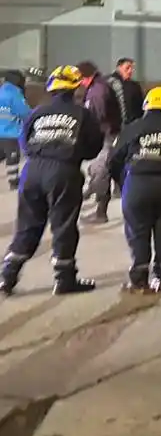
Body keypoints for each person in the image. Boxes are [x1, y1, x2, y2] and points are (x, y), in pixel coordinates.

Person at [0, 65, 103, 296]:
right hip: (63, 172)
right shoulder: (82, 114)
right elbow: (94, 147)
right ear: (75, 87)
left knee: (27, 225)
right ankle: (64, 279)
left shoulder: (37, 112)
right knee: (63, 226)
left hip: (32, 171)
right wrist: (71, 154)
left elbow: (24, 142)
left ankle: (7, 276)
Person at [107, 86, 161, 293]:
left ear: (146, 105)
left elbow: (113, 159)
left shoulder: (132, 129)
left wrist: (122, 181)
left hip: (138, 186)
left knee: (138, 232)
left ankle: (139, 279)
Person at [79, 60, 122, 224]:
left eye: (81, 79)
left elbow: (96, 115)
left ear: (87, 77)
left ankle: (100, 212)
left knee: (100, 171)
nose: (80, 83)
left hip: (106, 135)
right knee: (99, 169)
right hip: (107, 134)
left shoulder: (97, 91)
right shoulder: (98, 86)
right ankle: (97, 196)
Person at [1, 70, 32, 191]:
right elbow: (24, 112)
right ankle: (14, 182)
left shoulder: (1, 91)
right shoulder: (15, 94)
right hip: (10, 132)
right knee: (12, 158)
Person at [105, 58, 144, 128]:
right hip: (115, 126)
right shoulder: (109, 83)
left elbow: (140, 107)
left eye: (132, 68)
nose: (130, 71)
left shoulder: (134, 86)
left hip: (130, 125)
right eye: (127, 68)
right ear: (119, 68)